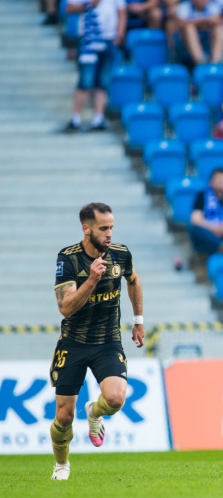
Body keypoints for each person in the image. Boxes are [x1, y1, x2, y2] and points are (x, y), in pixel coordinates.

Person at [50, 203, 145, 481]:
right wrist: (92, 279)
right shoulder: (68, 259)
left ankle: (94, 412)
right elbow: (66, 308)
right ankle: (61, 465)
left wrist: (138, 320)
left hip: (108, 342)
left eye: (111, 227)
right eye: (103, 228)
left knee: (115, 399)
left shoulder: (121, 254)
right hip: (74, 343)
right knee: (64, 417)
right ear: (86, 229)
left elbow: (134, 280)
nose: (109, 234)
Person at [65, 0, 127, 132]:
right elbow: (69, 7)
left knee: (103, 81)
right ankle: (75, 119)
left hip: (108, 39)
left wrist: (120, 33)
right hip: (88, 40)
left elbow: (122, 11)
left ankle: (98, 119)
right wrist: (88, 4)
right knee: (85, 81)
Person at [175, 0, 223, 66]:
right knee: (189, 28)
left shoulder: (213, 6)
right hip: (184, 44)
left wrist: (195, 22)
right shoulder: (184, 7)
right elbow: (180, 23)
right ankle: (200, 61)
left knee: (218, 28)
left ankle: (216, 61)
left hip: (208, 39)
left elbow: (218, 21)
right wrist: (203, 21)